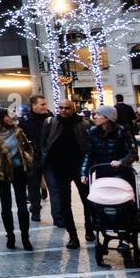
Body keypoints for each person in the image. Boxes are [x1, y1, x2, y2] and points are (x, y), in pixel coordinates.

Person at [80, 105, 139, 245]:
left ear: (107, 118)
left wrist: (121, 162)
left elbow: (133, 153)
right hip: (103, 173)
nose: (94, 117)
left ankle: (124, 236)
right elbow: (89, 154)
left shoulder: (122, 131)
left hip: (122, 174)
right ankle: (103, 229)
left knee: (124, 204)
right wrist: (84, 172)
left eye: (98, 115)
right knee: (102, 203)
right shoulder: (93, 132)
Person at [0, 109, 35, 251]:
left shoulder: (17, 131)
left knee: (22, 204)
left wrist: (28, 159)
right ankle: (10, 235)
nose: (10, 117)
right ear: (0, 118)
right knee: (6, 206)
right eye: (7, 115)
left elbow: (27, 148)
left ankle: (25, 236)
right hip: (1, 173)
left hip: (19, 171)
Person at [39, 98, 90, 245]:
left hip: (79, 168)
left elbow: (88, 145)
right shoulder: (51, 123)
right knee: (64, 202)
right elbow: (43, 143)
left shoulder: (83, 124)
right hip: (59, 168)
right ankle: (72, 235)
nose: (63, 110)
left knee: (87, 199)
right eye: (61, 108)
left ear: (72, 109)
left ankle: (89, 228)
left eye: (67, 108)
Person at [18, 96, 51, 222]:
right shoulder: (25, 120)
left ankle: (59, 216)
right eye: (42, 104)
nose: (45, 107)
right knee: (33, 187)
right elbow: (20, 139)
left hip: (49, 157)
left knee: (54, 187)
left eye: (45, 104)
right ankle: (35, 210)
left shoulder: (51, 118)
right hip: (33, 158)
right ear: (33, 105)